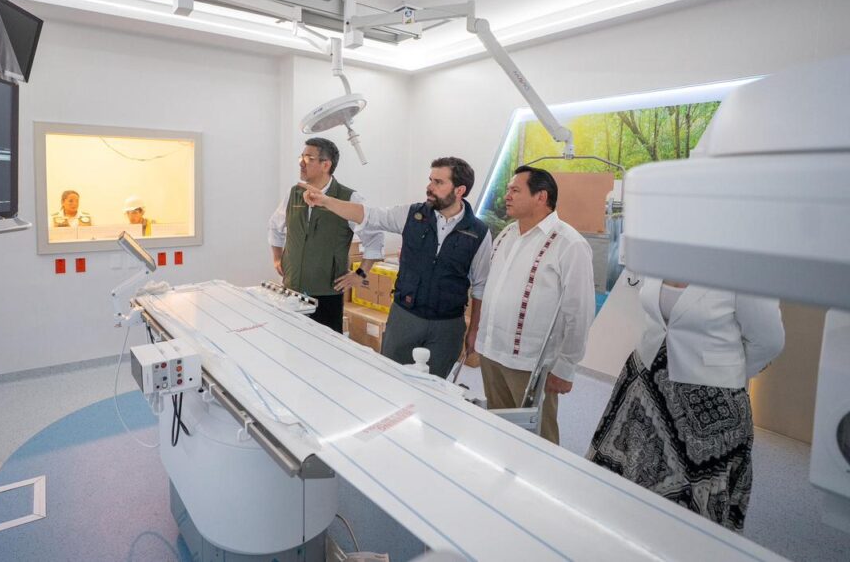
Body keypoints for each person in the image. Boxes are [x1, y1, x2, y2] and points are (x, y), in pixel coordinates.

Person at [587, 279, 784, 532]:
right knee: (624, 500)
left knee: (688, 519)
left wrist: (724, 374)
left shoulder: (745, 264)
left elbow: (769, 341)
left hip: (708, 409)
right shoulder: (665, 255)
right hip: (643, 391)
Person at [300, 156, 491, 379]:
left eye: (438, 182)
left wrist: (474, 330)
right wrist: (326, 201)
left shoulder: (478, 233)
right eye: (430, 180)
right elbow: (368, 215)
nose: (429, 187)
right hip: (405, 318)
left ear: (460, 190)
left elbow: (480, 287)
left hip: (447, 327)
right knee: (391, 379)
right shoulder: (411, 215)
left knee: (435, 385)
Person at [472, 166, 595, 445]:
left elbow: (580, 312)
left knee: (538, 439)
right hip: (492, 352)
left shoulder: (569, 244)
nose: (507, 196)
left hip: (531, 363)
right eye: (508, 190)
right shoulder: (506, 234)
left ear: (541, 196)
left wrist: (566, 367)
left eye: (515, 190)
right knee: (500, 430)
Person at [268, 137, 383, 333]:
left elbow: (374, 238)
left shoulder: (349, 198)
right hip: (291, 290)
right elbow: (274, 226)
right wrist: (277, 258)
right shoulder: (294, 193)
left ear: (326, 165)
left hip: (327, 295)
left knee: (325, 348)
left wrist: (361, 274)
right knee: (289, 342)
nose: (301, 163)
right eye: (301, 157)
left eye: (308, 158)